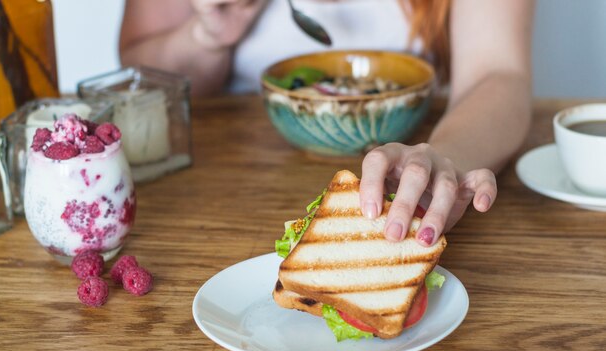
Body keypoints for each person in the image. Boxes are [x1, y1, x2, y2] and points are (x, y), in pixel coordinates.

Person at [120, 0, 534, 247]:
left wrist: (441, 162)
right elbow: (143, 71)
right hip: (214, 199)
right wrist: (207, 36)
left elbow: (498, 74)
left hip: (402, 175)